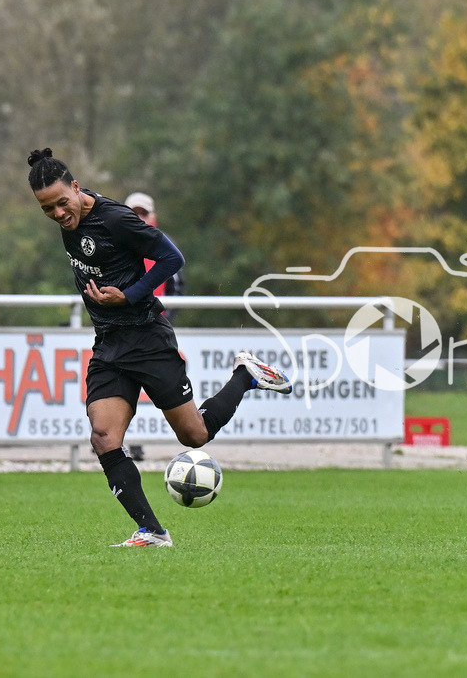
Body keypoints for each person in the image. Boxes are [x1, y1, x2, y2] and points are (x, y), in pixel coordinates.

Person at [28, 148, 293, 548]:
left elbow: (173, 258)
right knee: (103, 436)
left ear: (76, 187)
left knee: (195, 435)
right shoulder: (70, 219)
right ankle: (152, 531)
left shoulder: (115, 219)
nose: (59, 215)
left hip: (147, 338)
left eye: (62, 203)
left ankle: (245, 375)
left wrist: (130, 295)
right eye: (47, 209)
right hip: (110, 345)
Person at [123, 192, 184, 462]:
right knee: (121, 390)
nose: (139, 218)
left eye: (143, 213)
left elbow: (177, 291)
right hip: (121, 332)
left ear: (153, 217)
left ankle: (136, 443)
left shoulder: (164, 247)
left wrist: (160, 321)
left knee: (155, 392)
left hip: (153, 332)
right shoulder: (115, 245)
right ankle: (119, 442)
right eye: (133, 213)